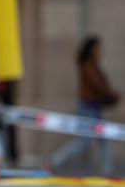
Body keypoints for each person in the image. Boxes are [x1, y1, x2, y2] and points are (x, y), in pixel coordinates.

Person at [51, 36, 120, 174]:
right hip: (88, 108)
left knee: (104, 139)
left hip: (95, 107)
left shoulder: (93, 65)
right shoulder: (87, 65)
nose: (100, 52)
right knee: (84, 142)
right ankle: (54, 162)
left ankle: (107, 172)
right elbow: (98, 85)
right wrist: (111, 95)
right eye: (98, 49)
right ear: (92, 49)